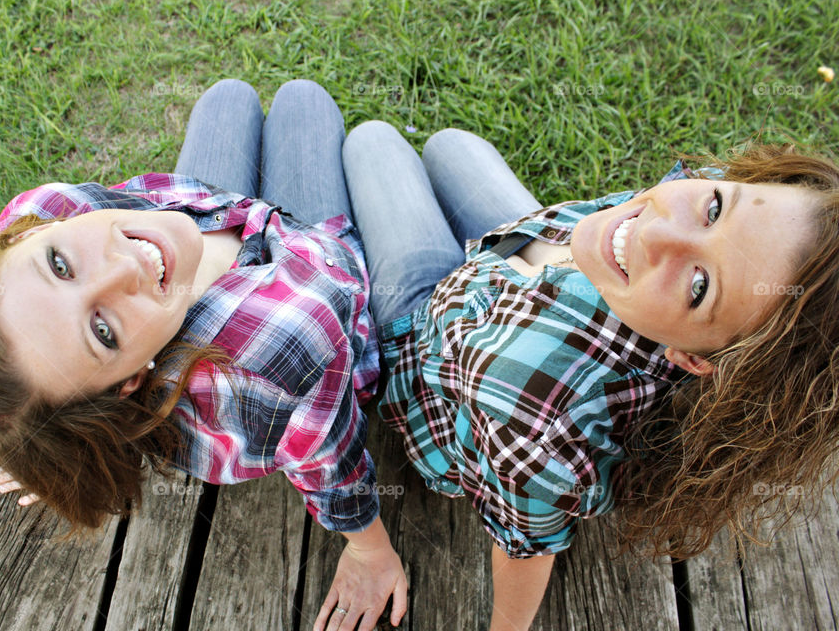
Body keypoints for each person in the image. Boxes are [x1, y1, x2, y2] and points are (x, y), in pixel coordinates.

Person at [0, 80, 406, 631]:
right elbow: (330, 461)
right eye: (103, 331)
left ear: (23, 238)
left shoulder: (43, 213)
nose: (125, 267)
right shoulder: (273, 364)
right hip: (312, 249)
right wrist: (369, 552)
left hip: (204, 208)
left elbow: (28, 356)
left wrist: (33, 436)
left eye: (60, 265)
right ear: (129, 384)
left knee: (228, 96)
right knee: (303, 100)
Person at [341, 121, 839, 631]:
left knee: (373, 140)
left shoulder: (531, 409)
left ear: (696, 359)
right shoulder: (714, 223)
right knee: (450, 145)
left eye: (699, 287)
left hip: (425, 336)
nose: (656, 230)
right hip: (524, 251)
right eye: (714, 207)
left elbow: (526, 546)